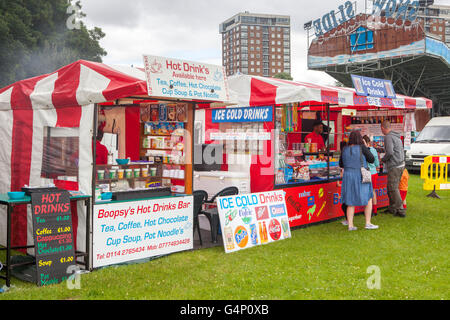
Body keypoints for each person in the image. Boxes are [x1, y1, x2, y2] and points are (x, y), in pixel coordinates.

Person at [339, 131, 379, 231]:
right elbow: (371, 159)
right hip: (361, 175)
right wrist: (366, 146)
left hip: (348, 176)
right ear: (360, 139)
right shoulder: (362, 147)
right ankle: (368, 223)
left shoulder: (344, 149)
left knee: (350, 201)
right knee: (368, 198)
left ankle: (350, 225)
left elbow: (341, 164)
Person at [381, 120, 406, 217]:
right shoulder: (396, 136)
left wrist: (383, 159)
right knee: (391, 187)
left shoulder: (388, 137)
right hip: (400, 164)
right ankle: (392, 208)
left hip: (394, 165)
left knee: (393, 187)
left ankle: (400, 209)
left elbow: (390, 152)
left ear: (383, 128)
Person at [363, 135, 380, 215]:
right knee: (373, 192)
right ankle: (375, 210)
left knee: (367, 192)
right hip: (374, 173)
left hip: (367, 173)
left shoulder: (363, 151)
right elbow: (377, 163)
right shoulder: (374, 150)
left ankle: (368, 210)